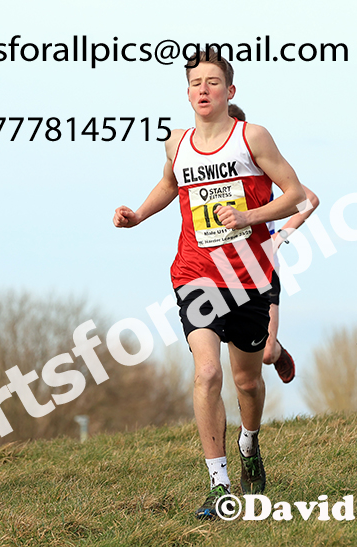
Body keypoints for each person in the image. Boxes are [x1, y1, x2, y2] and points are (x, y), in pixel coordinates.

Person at [114, 48, 306, 519]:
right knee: (207, 373)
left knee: (246, 380)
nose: (203, 89)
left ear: (230, 91)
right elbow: (168, 185)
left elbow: (296, 193)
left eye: (213, 82)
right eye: (196, 82)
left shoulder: (252, 137)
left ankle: (251, 444)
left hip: (248, 277)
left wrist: (249, 216)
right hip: (195, 273)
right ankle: (219, 485)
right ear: (187, 92)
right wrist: (138, 214)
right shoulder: (176, 143)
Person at [227, 104, 320, 384]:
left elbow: (309, 199)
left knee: (265, 353)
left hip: (261, 266)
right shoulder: (206, 170)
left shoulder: (260, 166)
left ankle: (278, 353)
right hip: (219, 268)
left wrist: (281, 235)